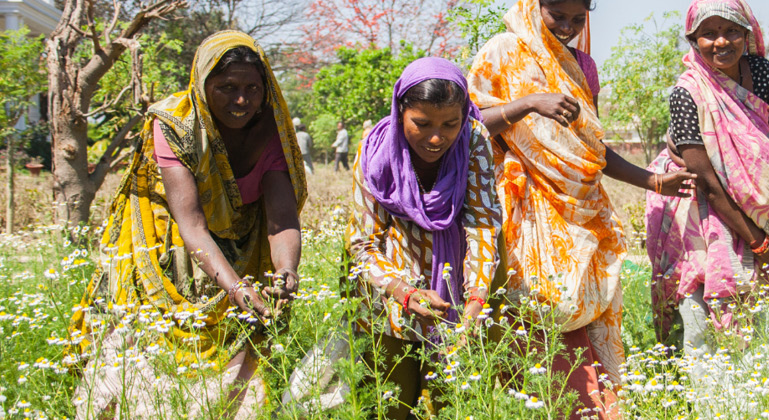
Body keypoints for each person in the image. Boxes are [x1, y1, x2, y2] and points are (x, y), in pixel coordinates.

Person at [467, 0, 695, 417]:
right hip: (527, 210)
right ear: (534, 5)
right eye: (558, 14)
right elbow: (465, 126)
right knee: (536, 317)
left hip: (581, 212)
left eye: (578, 18)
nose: (568, 27)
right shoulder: (502, 50)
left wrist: (653, 180)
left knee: (582, 319)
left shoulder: (583, 66)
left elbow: (591, 148)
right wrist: (528, 103)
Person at [67, 30, 307, 419]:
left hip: (240, 247)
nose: (241, 100)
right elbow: (191, 223)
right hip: (169, 248)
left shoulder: (271, 131)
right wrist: (234, 288)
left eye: (252, 87)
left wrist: (286, 271)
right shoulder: (177, 124)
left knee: (239, 348)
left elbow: (281, 220)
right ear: (202, 82)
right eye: (226, 87)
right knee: (154, 349)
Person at [282, 58, 499, 419]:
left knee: (453, 404)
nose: (436, 137)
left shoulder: (474, 141)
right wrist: (404, 292)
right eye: (422, 123)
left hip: (456, 298)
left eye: (450, 124)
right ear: (401, 112)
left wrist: (475, 302)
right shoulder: (375, 148)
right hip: (388, 301)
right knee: (390, 404)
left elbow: (482, 225)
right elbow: (361, 244)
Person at [645, 0, 769, 352]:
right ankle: (711, 397)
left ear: (747, 34)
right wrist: (760, 244)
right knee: (702, 311)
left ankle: (765, 398)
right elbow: (707, 184)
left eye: (731, 32)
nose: (721, 42)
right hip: (703, 215)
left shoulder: (760, 74)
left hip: (763, 211)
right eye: (708, 34)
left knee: (767, 317)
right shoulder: (688, 92)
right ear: (693, 39)